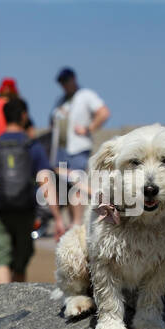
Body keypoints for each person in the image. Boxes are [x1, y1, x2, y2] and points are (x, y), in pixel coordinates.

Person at [0, 98, 61, 284]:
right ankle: (18, 305)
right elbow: (46, 181)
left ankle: (3, 301)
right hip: (25, 210)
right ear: (24, 116)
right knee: (20, 262)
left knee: (0, 258)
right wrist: (58, 217)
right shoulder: (32, 146)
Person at [50, 68, 109, 225]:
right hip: (61, 150)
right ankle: (72, 222)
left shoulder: (86, 95)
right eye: (62, 82)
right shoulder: (61, 100)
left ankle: (77, 222)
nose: (64, 85)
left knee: (76, 184)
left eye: (66, 81)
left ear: (73, 79)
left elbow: (103, 113)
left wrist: (88, 128)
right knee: (66, 187)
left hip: (77, 148)